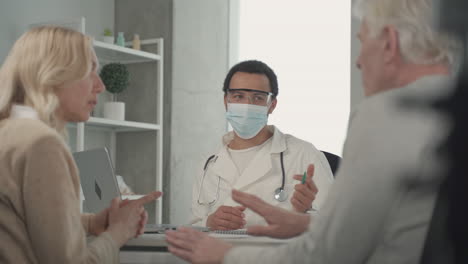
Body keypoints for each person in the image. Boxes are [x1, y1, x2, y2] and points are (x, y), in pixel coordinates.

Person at [166, 0, 461, 262]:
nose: (359, 60)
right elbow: (376, 226)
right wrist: (305, 224)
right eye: (238, 96)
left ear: (389, 43)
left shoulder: (389, 113)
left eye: (362, 42)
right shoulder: (452, 109)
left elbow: (328, 253)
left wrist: (225, 256)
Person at [0, 26, 161, 263]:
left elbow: (20, 223)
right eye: (90, 70)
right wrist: (118, 233)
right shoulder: (42, 144)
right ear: (53, 74)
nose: (100, 85)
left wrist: (91, 223)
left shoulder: (10, 133)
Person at [191, 60, 334, 230]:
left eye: (258, 98)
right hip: (222, 255)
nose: (247, 105)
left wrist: (302, 214)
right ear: (226, 101)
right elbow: (194, 224)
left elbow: (333, 223)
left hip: (279, 255)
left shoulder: (304, 154)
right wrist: (209, 222)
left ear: (272, 105)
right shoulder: (209, 163)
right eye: (238, 96)